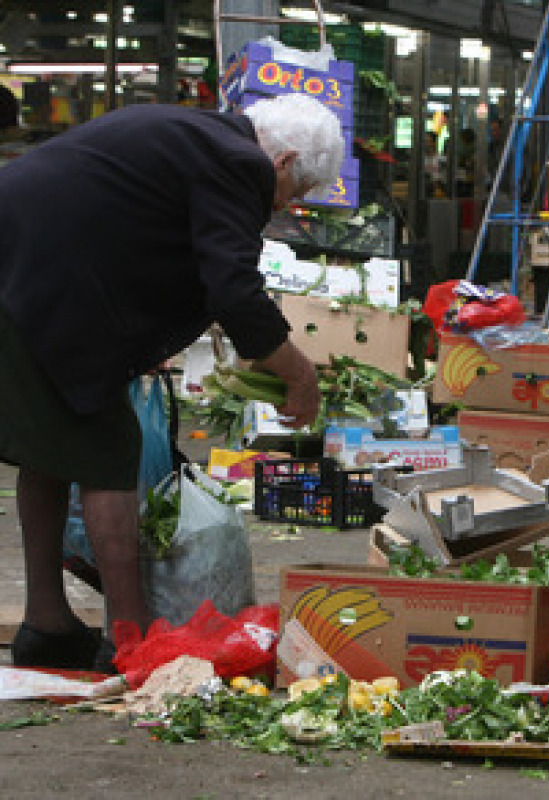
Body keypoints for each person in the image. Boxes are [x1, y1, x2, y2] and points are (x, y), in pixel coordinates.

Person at [0, 92, 344, 671]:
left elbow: (138, 230)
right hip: (40, 278)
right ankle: (133, 643)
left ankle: (47, 623)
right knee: (108, 452)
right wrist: (297, 371)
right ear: (282, 162)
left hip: (22, 267)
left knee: (51, 447)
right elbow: (233, 287)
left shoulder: (199, 134)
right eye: (297, 192)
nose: (287, 206)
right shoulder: (241, 163)